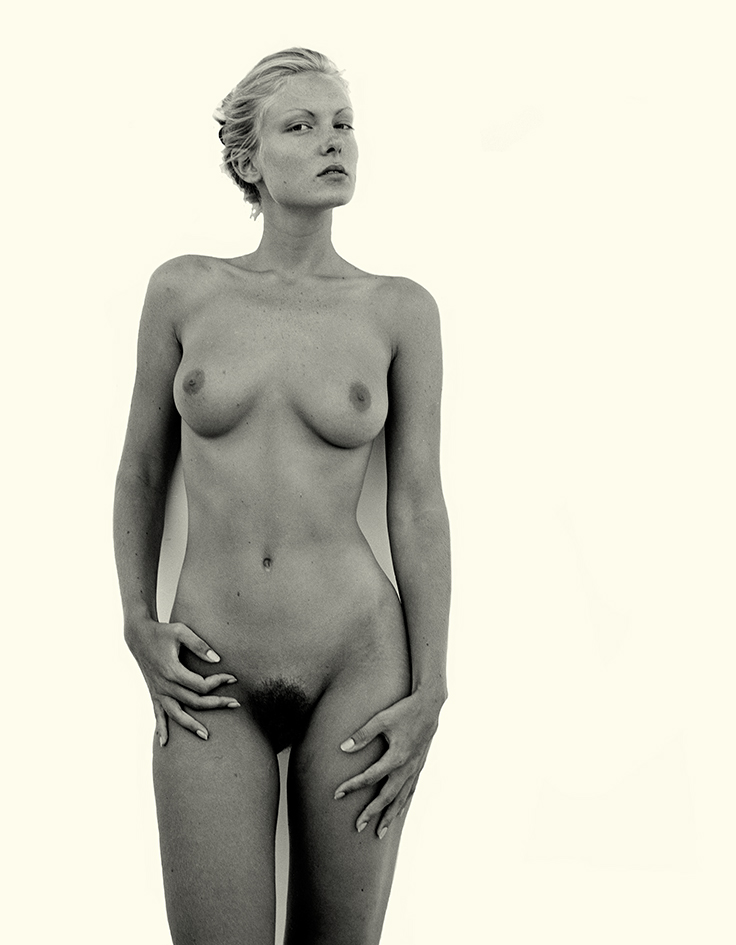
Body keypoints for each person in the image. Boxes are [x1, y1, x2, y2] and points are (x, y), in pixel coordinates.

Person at [114, 47, 450, 945]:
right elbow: (141, 467)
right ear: (248, 159)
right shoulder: (184, 289)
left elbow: (418, 503)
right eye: (300, 125)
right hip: (208, 669)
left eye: (343, 123)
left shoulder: (400, 310)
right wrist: (136, 619)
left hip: (359, 663)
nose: (333, 140)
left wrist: (432, 688)